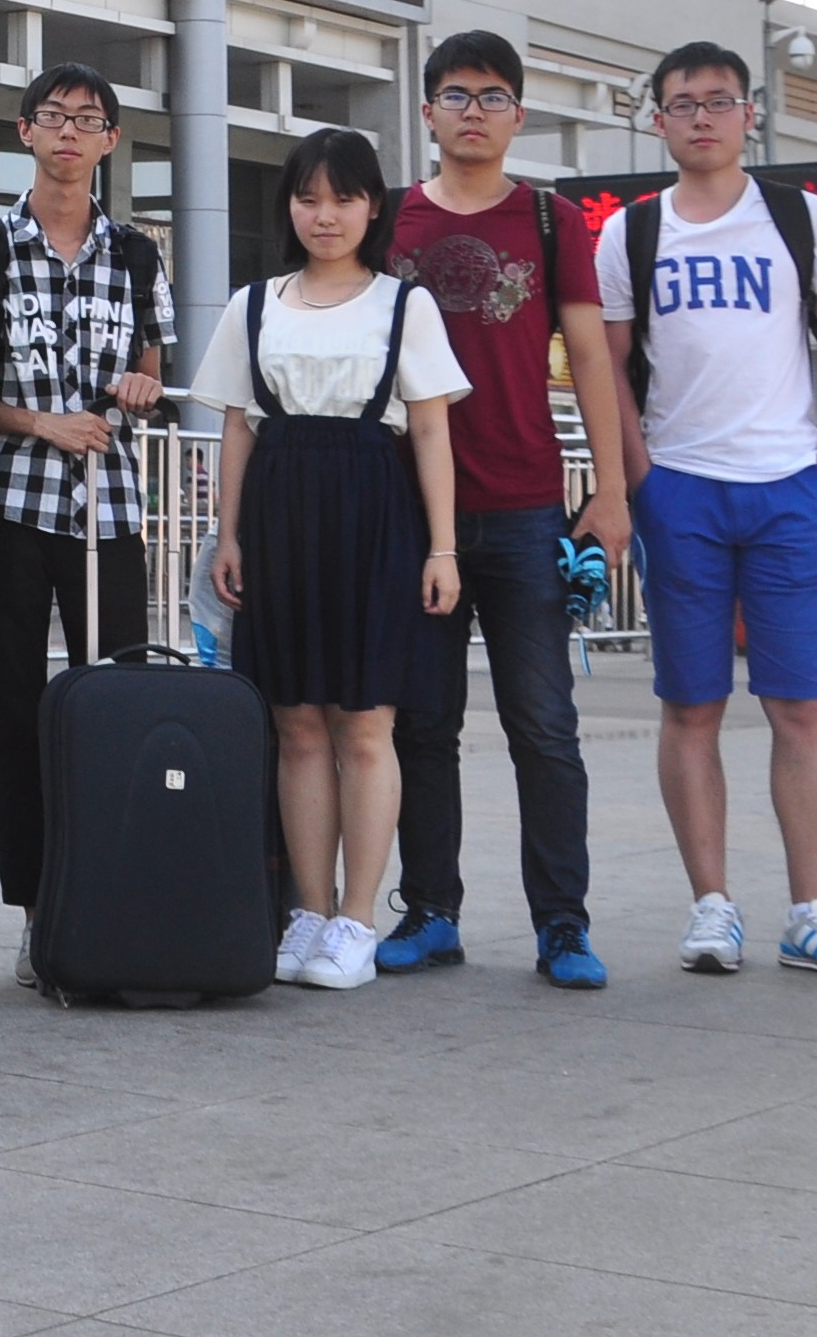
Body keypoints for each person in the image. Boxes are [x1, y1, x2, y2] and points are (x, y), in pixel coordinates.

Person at [594, 42, 817, 981]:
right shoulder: (631, 231)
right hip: (681, 486)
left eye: (719, 101)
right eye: (684, 104)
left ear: (748, 115)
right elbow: (610, 366)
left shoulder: (797, 216)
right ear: (658, 120)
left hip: (788, 485)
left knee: (801, 706)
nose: (703, 118)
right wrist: (642, 478)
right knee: (691, 704)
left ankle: (812, 911)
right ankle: (711, 905)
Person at [193, 129, 467, 995]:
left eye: (344, 198)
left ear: (372, 208)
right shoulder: (253, 304)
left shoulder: (404, 305)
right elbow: (237, 426)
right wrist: (228, 536)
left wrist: (443, 548)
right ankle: (308, 912)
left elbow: (431, 431)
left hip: (374, 515)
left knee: (365, 724)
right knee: (297, 725)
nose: (325, 215)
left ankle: (356, 920)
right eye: (308, 198)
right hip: (278, 516)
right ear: (289, 207)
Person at [382, 30, 624, 989]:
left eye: (491, 96)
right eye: (455, 94)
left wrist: (610, 492)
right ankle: (430, 911)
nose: (472, 111)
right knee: (420, 725)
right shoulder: (390, 218)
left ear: (518, 116)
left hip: (527, 508)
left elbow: (591, 358)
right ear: (428, 112)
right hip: (413, 517)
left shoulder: (555, 221)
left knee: (545, 728)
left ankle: (563, 925)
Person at [0, 63, 166, 994]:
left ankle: (112, 901)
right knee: (14, 714)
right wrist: (42, 424)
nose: (71, 133)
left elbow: (151, 365)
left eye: (89, 120)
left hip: (109, 510)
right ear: (25, 132)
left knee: (115, 707)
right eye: (55, 117)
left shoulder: (136, 254)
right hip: (9, 506)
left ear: (111, 140)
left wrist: (141, 385)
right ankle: (36, 911)